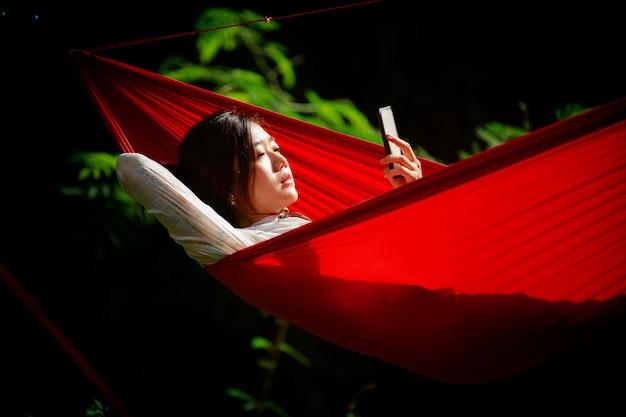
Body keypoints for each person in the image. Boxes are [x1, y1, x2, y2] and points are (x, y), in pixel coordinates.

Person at [174, 109, 423, 231]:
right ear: (228, 188)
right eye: (260, 154)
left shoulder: (288, 231)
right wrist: (417, 200)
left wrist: (412, 197)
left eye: (277, 149)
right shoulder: (263, 242)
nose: (281, 161)